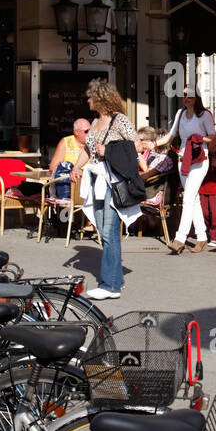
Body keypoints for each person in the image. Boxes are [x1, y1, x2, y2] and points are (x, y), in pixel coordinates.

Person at [70, 80, 139, 300]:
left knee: (109, 232)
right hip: (96, 181)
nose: (88, 100)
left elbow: (136, 145)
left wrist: (108, 150)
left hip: (113, 181)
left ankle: (110, 286)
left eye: (90, 97)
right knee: (103, 230)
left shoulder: (120, 120)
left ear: (100, 98)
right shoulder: (95, 121)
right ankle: (116, 279)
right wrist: (76, 167)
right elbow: (88, 150)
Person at [155, 84, 216, 254]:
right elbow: (171, 135)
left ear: (196, 97)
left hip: (199, 159)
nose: (186, 98)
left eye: (189, 95)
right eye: (184, 96)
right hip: (183, 159)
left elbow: (212, 136)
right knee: (193, 198)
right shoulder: (180, 114)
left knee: (188, 197)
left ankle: (180, 238)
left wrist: (199, 138)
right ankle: (202, 236)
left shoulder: (204, 115)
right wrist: (153, 144)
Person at [47, 118, 91, 199]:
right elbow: (53, 168)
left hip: (90, 186)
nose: (90, 133)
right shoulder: (66, 142)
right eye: (86, 131)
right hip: (70, 186)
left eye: (91, 130)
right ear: (76, 132)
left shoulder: (93, 143)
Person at [135, 126, 172, 207]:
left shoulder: (162, 158)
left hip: (152, 193)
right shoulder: (161, 157)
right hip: (149, 189)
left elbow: (145, 175)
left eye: (140, 140)